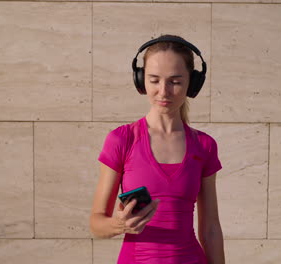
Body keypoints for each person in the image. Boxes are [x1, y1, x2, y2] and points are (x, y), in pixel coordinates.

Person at [90, 34, 225, 264]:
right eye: (154, 80)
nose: (163, 91)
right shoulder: (122, 140)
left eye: (175, 81)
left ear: (192, 84)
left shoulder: (204, 146)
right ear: (141, 80)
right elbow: (96, 223)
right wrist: (119, 224)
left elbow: (211, 228)